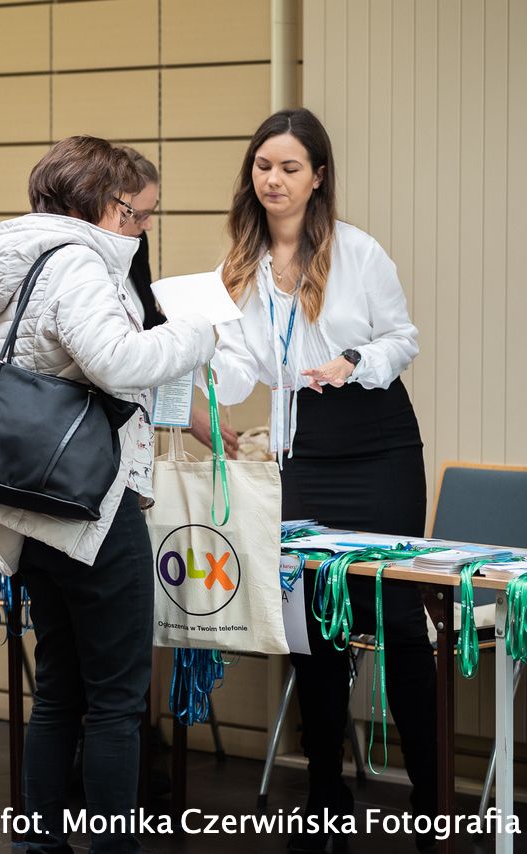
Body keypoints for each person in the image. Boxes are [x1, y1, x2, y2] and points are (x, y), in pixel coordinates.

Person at [0, 137, 215, 853]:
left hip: (34, 501)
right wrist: (196, 335)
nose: (143, 229)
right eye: (141, 214)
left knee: (60, 693)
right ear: (107, 204)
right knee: (115, 701)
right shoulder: (78, 262)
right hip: (93, 505)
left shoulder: (27, 258)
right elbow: (116, 362)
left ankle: (41, 842)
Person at [209, 108, 435, 852]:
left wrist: (355, 362)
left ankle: (433, 798)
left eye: (289, 167)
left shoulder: (357, 251)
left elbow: (401, 338)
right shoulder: (239, 264)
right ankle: (325, 796)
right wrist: (201, 370)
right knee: (313, 624)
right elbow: (238, 368)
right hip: (299, 453)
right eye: (263, 166)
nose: (273, 180)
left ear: (318, 177)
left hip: (376, 446)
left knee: (398, 619)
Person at [113, 146, 238, 458]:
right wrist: (189, 415)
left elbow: (148, 323)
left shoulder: (135, 243)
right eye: (140, 215)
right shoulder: (85, 266)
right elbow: (119, 358)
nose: (148, 225)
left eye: (151, 212)